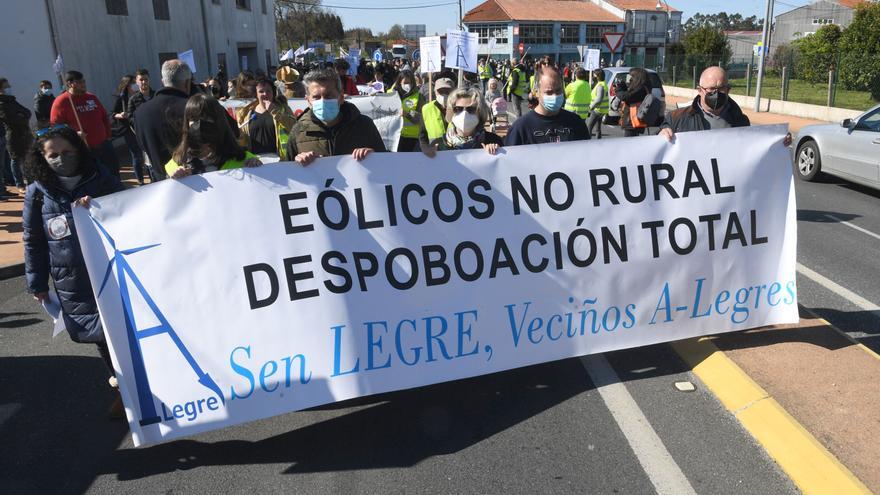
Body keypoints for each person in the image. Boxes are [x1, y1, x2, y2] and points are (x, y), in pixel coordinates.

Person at [22, 124, 126, 416]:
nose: (60, 159)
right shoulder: (37, 193)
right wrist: (37, 283)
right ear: (42, 158)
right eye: (53, 154)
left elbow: (129, 210)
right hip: (73, 280)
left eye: (66, 152)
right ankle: (124, 389)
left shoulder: (100, 177)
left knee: (125, 331)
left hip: (110, 272)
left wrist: (99, 208)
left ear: (78, 150)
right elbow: (33, 240)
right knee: (99, 335)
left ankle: (138, 387)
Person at [658, 66, 792, 147]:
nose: (716, 93)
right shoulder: (676, 118)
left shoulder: (740, 121)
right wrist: (661, 133)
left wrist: (778, 140)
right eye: (711, 89)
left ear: (728, 90)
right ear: (700, 90)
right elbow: (657, 144)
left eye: (721, 88)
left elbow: (752, 147)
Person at [285, 68, 385, 166]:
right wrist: (296, 162)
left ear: (341, 97)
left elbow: (386, 164)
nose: (322, 101)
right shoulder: (298, 130)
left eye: (328, 96)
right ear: (308, 101)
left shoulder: (364, 125)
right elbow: (286, 174)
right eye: (316, 97)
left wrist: (373, 156)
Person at [165, 93, 262, 178]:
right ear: (186, 123)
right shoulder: (178, 161)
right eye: (194, 119)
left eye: (206, 118)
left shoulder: (243, 159)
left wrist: (257, 166)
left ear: (219, 122)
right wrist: (175, 176)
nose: (199, 124)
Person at [49, 70, 118, 176]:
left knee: (113, 173)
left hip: (104, 145)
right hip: (84, 149)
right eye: (80, 82)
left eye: (84, 81)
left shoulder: (91, 97)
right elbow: (56, 127)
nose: (83, 84)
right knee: (95, 177)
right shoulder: (61, 102)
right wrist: (74, 134)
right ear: (70, 84)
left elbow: (104, 116)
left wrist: (107, 136)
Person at [133, 60, 192, 181]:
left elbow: (143, 145)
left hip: (161, 180)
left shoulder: (139, 113)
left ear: (163, 81)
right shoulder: (195, 108)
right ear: (187, 83)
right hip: (196, 178)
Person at [504, 67, 590, 146]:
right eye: (549, 92)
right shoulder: (520, 128)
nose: (555, 96)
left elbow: (588, 154)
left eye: (558, 90)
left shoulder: (576, 123)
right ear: (536, 92)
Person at [421, 87, 502, 157]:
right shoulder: (438, 144)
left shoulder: (494, 140)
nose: (464, 114)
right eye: (458, 109)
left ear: (480, 112)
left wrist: (497, 152)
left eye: (471, 109)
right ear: (451, 112)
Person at [235, 77, 296, 159]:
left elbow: (294, 127)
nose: (265, 94)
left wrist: (275, 112)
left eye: (268, 91)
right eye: (261, 91)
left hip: (279, 160)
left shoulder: (283, 108)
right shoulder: (246, 113)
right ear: (256, 94)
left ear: (273, 93)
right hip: (255, 162)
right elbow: (241, 139)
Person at [110, 75, 148, 185]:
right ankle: (140, 180)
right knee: (137, 156)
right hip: (128, 130)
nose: (135, 85)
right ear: (127, 85)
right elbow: (112, 114)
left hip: (141, 127)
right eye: (132, 83)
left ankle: (151, 176)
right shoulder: (121, 98)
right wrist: (121, 115)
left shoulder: (140, 96)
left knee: (146, 154)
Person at [0, 77, 31, 196]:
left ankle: (30, 181)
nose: (9, 88)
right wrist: (21, 117)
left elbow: (27, 112)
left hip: (23, 133)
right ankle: (19, 184)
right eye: (6, 86)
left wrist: (21, 116)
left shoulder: (12, 100)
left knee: (26, 158)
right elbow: (10, 119)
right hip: (12, 135)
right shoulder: (2, 103)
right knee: (15, 160)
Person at [419, 77, 456, 157]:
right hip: (436, 155)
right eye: (440, 91)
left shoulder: (460, 108)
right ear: (435, 92)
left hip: (456, 152)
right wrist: (425, 147)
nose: (444, 94)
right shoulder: (426, 109)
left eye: (447, 91)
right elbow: (422, 135)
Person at [391, 70, 425, 152]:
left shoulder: (419, 96)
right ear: (399, 83)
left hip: (411, 138)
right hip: (394, 136)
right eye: (405, 83)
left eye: (409, 83)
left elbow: (421, 119)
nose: (407, 85)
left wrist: (407, 114)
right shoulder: (391, 94)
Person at [615, 67, 651, 137]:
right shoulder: (642, 87)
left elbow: (625, 97)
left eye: (632, 76)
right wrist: (624, 87)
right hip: (633, 121)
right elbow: (630, 96)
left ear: (637, 78)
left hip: (632, 122)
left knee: (629, 145)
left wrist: (618, 89)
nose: (630, 79)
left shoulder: (640, 89)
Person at [587, 69, 608, 139]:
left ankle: (587, 143)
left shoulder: (600, 86)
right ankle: (598, 143)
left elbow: (599, 99)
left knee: (589, 127)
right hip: (602, 109)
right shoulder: (603, 83)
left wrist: (591, 107)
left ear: (598, 76)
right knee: (598, 128)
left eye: (594, 75)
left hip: (597, 109)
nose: (593, 76)